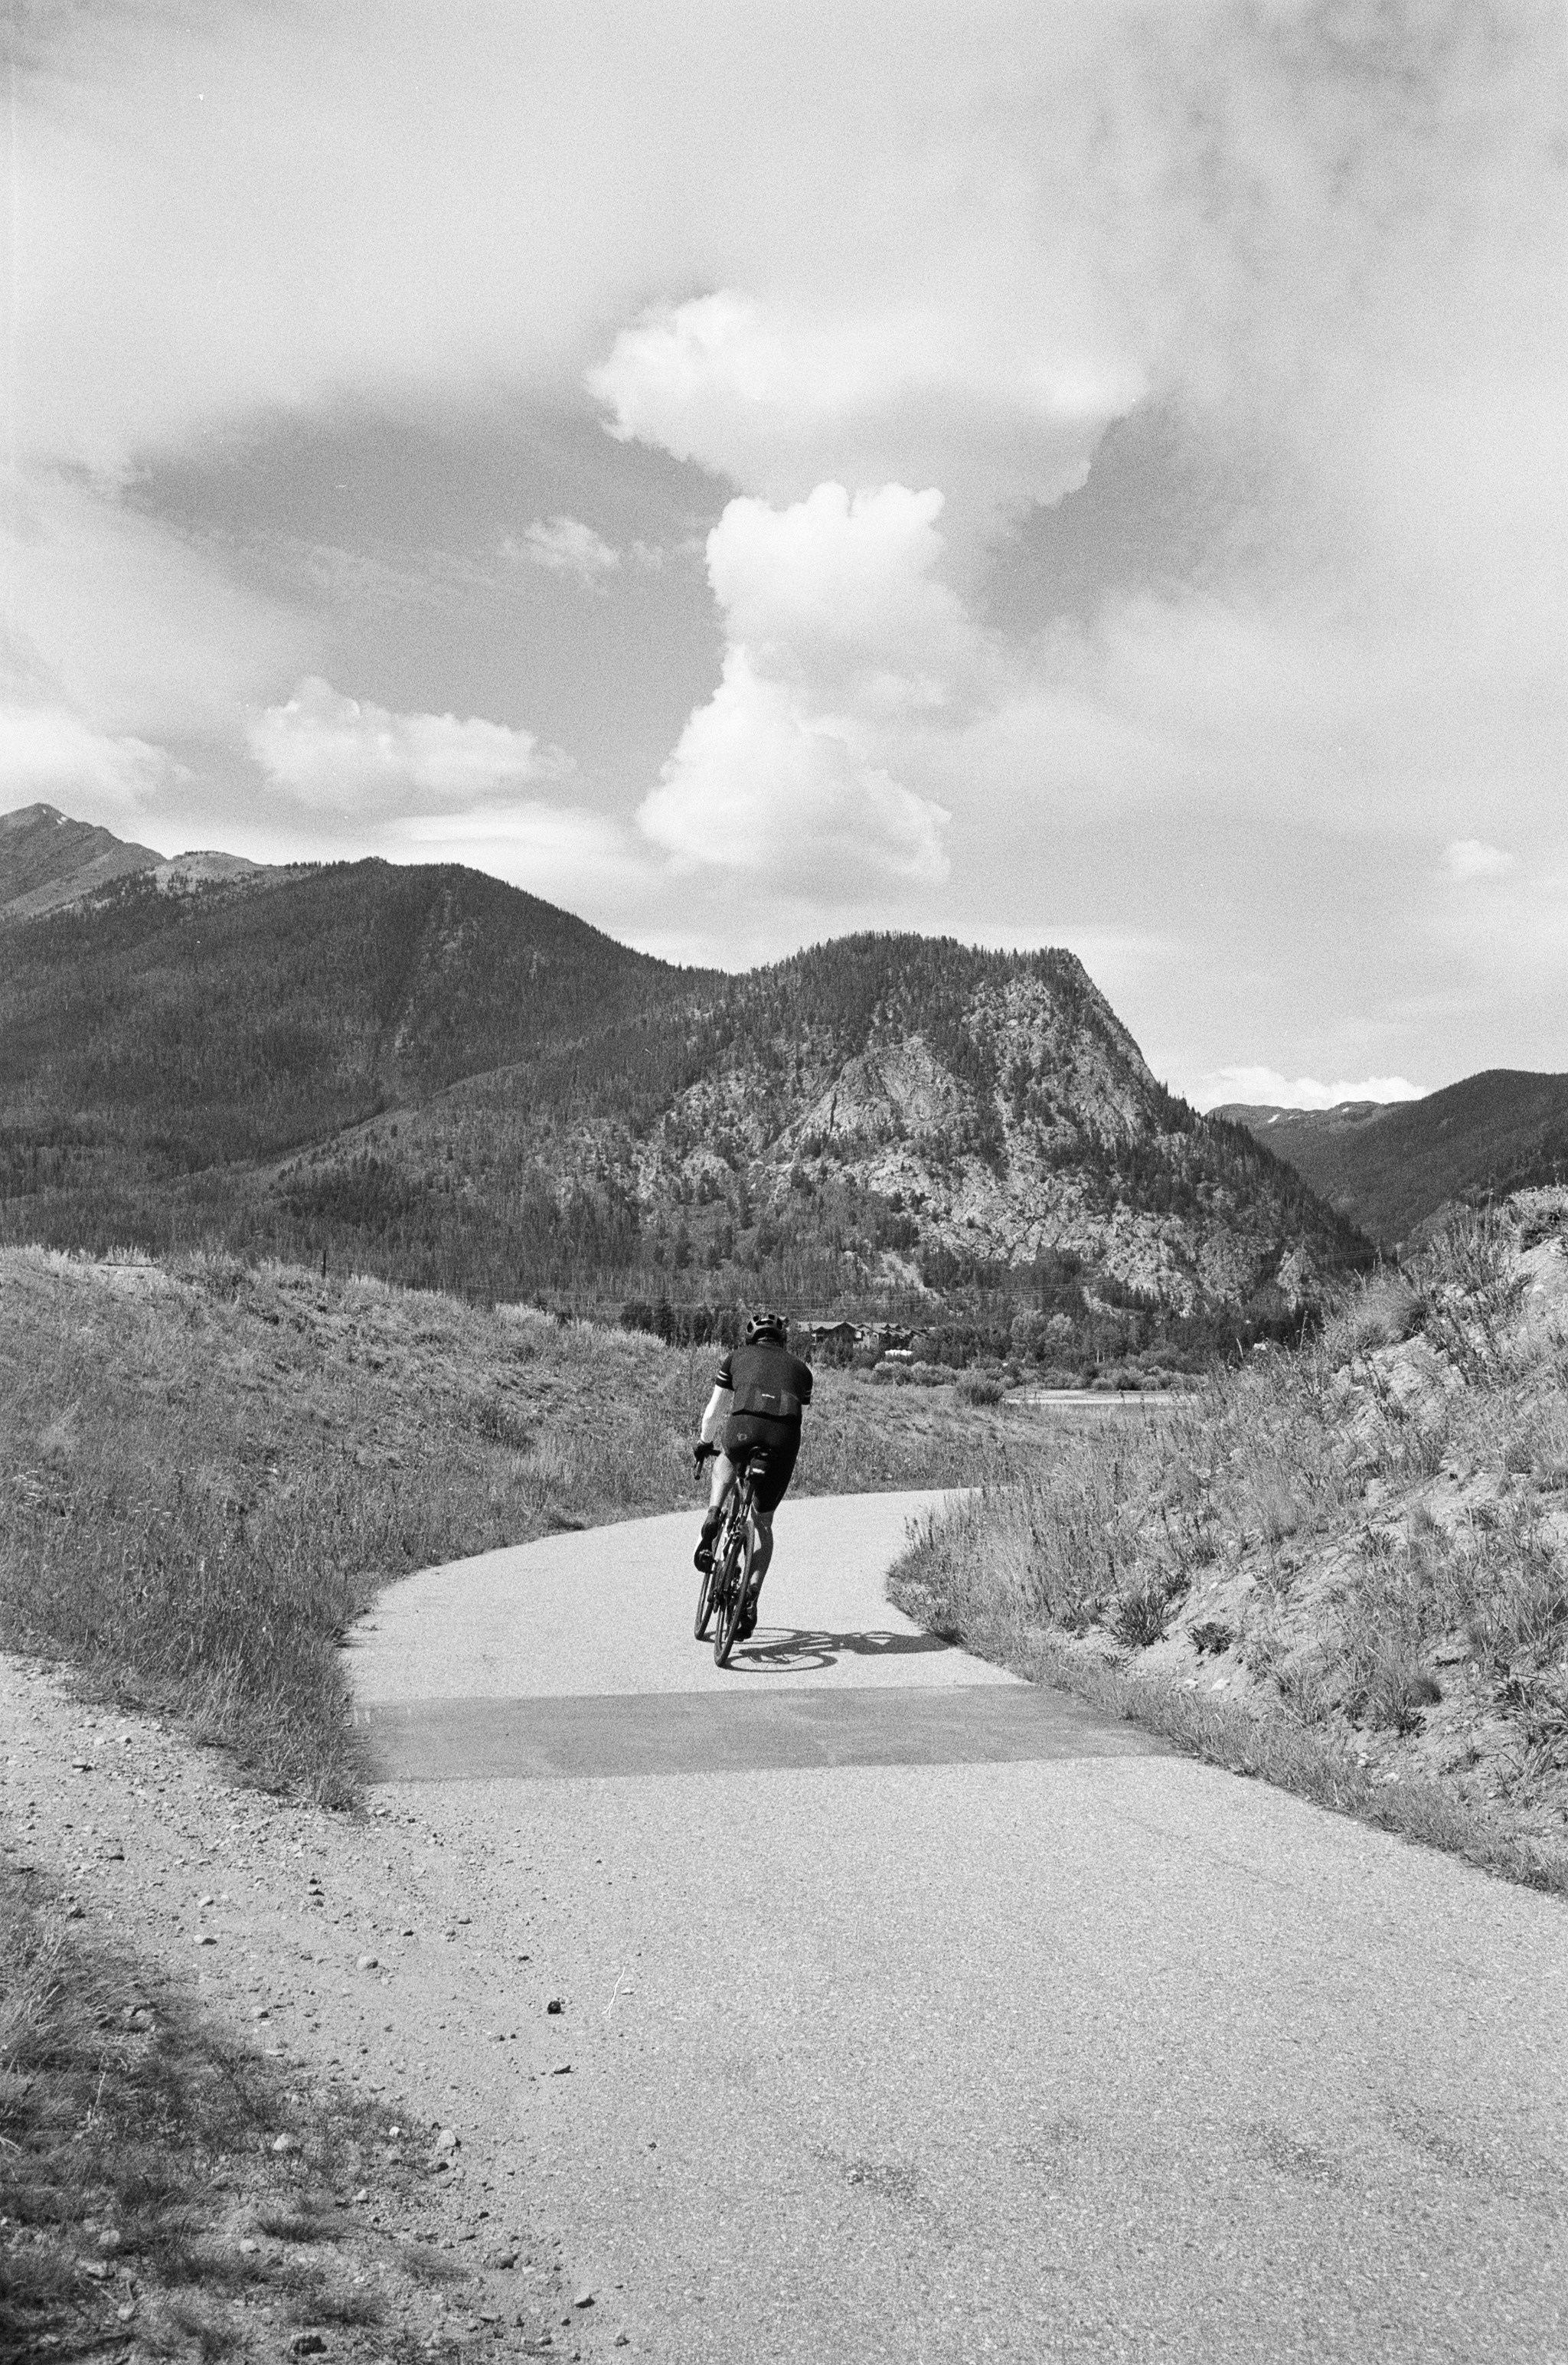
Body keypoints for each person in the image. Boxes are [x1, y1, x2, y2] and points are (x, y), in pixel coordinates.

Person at [692, 1309, 815, 1640]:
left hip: (743, 1429)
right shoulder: (802, 1371)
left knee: (727, 1460)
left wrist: (704, 1444)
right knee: (763, 1523)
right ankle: (751, 1594)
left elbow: (713, 1411)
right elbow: (799, 1411)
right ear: (782, 1340)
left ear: (751, 1339)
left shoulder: (735, 1358)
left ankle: (715, 1512)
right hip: (783, 1440)